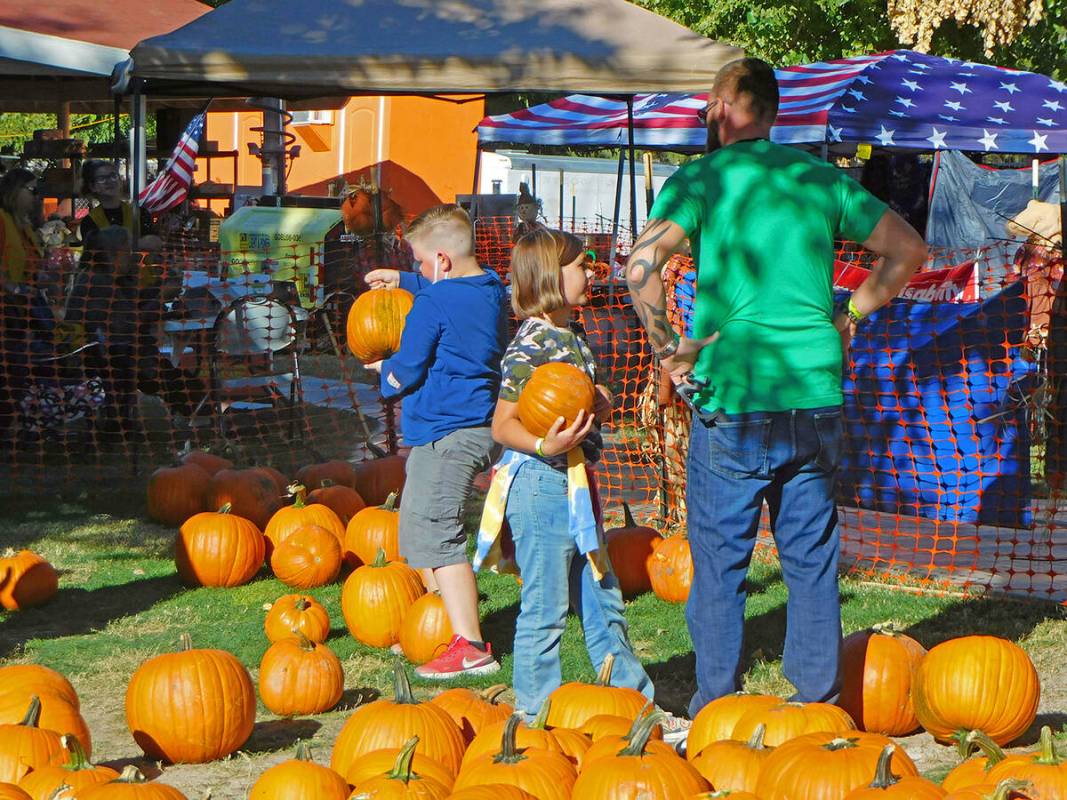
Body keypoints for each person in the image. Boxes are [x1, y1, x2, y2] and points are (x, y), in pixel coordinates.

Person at [626, 58, 928, 720]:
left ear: (726, 108)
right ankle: (818, 708)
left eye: (711, 103)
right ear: (772, 111)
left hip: (733, 397)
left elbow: (639, 266)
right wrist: (848, 316)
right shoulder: (816, 179)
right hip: (812, 393)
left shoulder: (699, 180)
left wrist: (669, 354)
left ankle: (716, 709)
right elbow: (909, 249)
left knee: (720, 563)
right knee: (811, 557)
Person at [476, 228, 678, 732]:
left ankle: (635, 706)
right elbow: (504, 423)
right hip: (541, 485)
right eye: (581, 266)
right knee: (545, 607)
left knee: (603, 594)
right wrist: (547, 445)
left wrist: (599, 398)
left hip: (575, 483)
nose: (592, 273)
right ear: (548, 275)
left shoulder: (571, 336)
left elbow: (568, 398)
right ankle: (531, 719)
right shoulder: (533, 342)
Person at [364, 203, 508, 678]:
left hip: (446, 434)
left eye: (421, 263)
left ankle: (470, 646)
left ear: (442, 259)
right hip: (476, 428)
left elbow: (406, 366)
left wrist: (382, 375)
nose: (419, 272)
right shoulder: (489, 290)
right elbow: (447, 292)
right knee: (417, 530)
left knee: (437, 531)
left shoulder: (433, 304)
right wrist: (402, 279)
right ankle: (438, 628)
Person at [0, 169, 45, 436]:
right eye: (32, 190)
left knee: (17, 369)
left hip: (24, 310)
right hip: (6, 309)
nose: (37, 197)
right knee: (9, 369)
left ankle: (14, 424)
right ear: (13, 191)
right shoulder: (2, 220)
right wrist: (12, 286)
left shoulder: (26, 225)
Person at [78, 160, 162, 287]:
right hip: (109, 288)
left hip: (144, 284)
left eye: (113, 176)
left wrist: (123, 246)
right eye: (102, 178)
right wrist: (138, 244)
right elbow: (99, 255)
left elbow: (155, 242)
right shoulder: (89, 221)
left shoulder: (139, 213)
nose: (109, 181)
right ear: (92, 186)